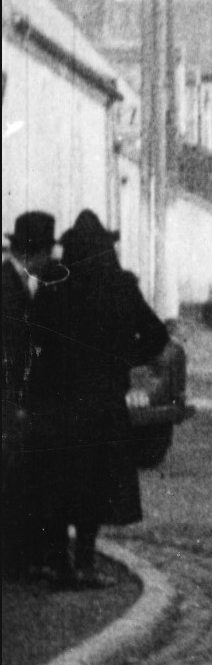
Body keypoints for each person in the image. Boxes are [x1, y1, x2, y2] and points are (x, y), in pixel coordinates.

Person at [24, 210, 168, 588]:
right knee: (95, 487)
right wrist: (122, 358)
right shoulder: (121, 285)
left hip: (58, 400)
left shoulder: (55, 284)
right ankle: (85, 564)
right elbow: (156, 336)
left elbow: (34, 335)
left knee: (59, 484)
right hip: (103, 403)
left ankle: (60, 566)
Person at [2, 211, 63, 581]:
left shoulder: (17, 281)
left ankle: (20, 558)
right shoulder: (7, 286)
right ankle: (14, 562)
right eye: (47, 253)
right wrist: (14, 404)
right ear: (34, 253)